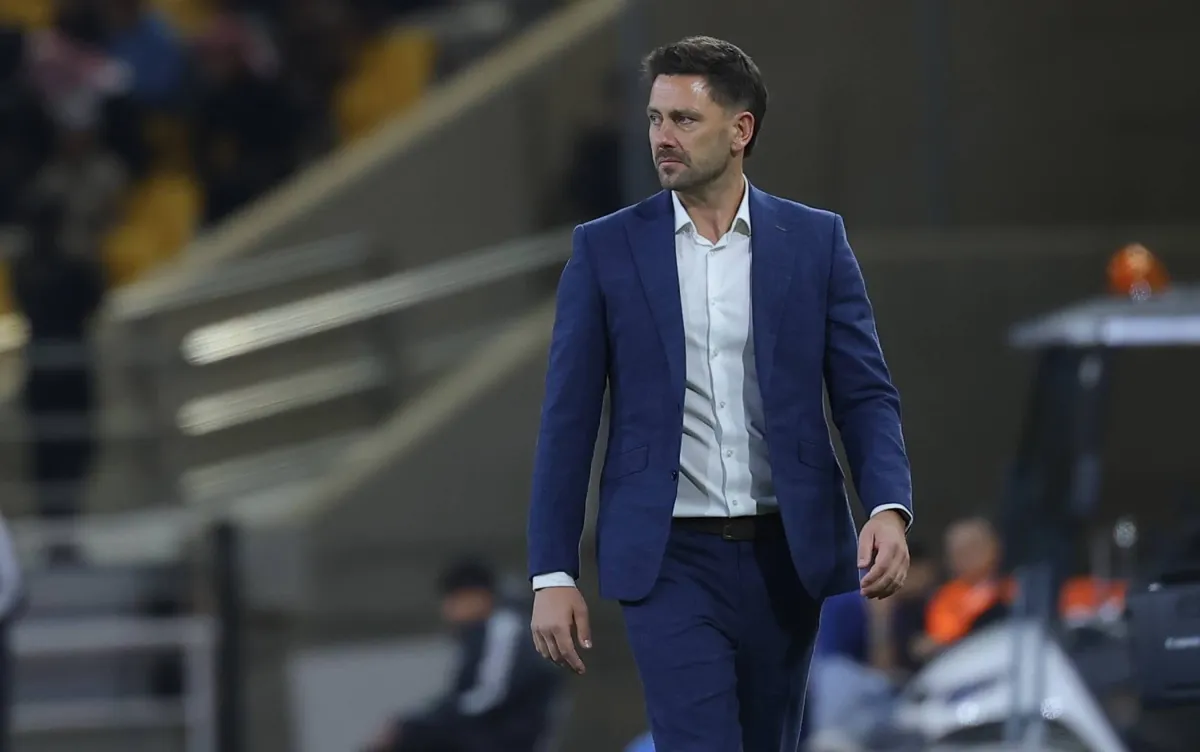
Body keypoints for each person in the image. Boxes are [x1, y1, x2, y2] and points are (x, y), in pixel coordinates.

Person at [526, 36, 913, 751]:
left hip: (785, 555)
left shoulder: (815, 241)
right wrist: (552, 571)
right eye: (654, 118)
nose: (662, 137)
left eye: (683, 119)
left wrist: (887, 506)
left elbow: (864, 394)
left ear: (741, 131)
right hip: (668, 558)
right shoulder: (606, 249)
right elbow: (567, 423)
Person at [365, 559, 561, 752]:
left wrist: (415, 725)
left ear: (477, 597)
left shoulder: (504, 628)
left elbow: (486, 695)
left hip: (505, 738)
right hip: (488, 732)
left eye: (453, 600)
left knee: (411, 736)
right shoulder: (481, 634)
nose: (447, 609)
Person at [923, 517, 1013, 650]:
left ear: (995, 546)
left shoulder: (1014, 585)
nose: (968, 555)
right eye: (958, 551)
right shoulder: (945, 598)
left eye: (974, 546)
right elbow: (944, 638)